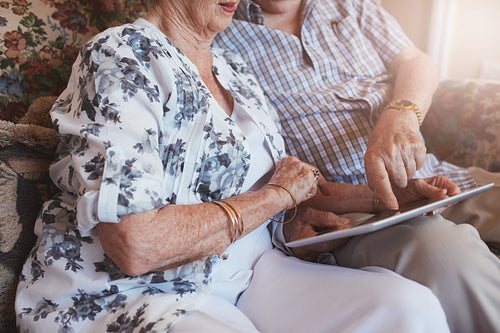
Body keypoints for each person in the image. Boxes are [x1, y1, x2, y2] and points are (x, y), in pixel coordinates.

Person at [14, 0, 461, 332]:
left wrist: (389, 195)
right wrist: (275, 198)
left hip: (251, 274)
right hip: (133, 291)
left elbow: (287, 187)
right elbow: (136, 244)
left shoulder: (237, 69)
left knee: (406, 308)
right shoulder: (120, 55)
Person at [213, 0, 500, 332]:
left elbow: (414, 60)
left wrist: (403, 113)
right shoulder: (218, 30)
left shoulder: (348, 4)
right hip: (355, 216)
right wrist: (361, 199)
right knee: (445, 254)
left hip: (437, 178)